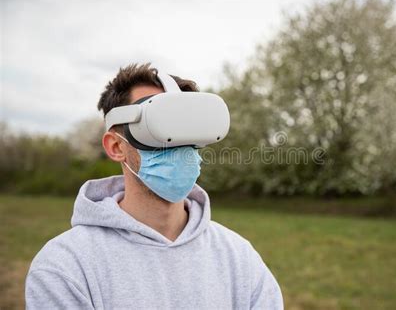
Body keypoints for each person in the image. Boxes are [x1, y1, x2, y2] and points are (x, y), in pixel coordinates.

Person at [25, 63, 284, 309]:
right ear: (116, 147)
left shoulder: (239, 258)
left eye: (188, 131)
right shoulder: (66, 267)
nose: (179, 146)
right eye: (160, 128)